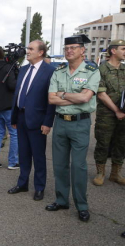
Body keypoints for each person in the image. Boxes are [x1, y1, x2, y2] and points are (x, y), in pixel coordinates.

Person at [47, 34, 100, 222]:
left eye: (73, 48)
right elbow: (51, 99)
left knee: (78, 166)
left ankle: (82, 205)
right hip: (60, 122)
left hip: (80, 123)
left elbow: (86, 98)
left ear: (82, 50)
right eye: (66, 48)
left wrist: (61, 94)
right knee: (59, 165)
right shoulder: (58, 71)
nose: (69, 51)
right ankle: (61, 200)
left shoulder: (92, 70)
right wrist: (73, 95)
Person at [8, 40, 56, 201]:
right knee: (23, 154)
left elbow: (51, 100)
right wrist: (14, 117)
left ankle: (40, 187)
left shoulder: (50, 71)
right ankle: (22, 184)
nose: (27, 51)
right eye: (27, 48)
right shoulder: (23, 69)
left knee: (38, 156)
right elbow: (18, 94)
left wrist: (48, 122)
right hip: (21, 118)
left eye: (31, 49)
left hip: (38, 120)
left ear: (41, 52)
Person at [93, 40, 125, 186]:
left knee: (121, 144)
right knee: (103, 144)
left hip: (124, 116)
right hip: (106, 115)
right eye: (123, 49)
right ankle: (100, 173)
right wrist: (117, 110)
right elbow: (101, 94)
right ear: (113, 50)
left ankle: (115, 174)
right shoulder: (102, 70)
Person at [0, 46, 19, 170]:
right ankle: (12, 162)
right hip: (7, 106)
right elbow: (12, 85)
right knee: (14, 134)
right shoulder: (7, 67)